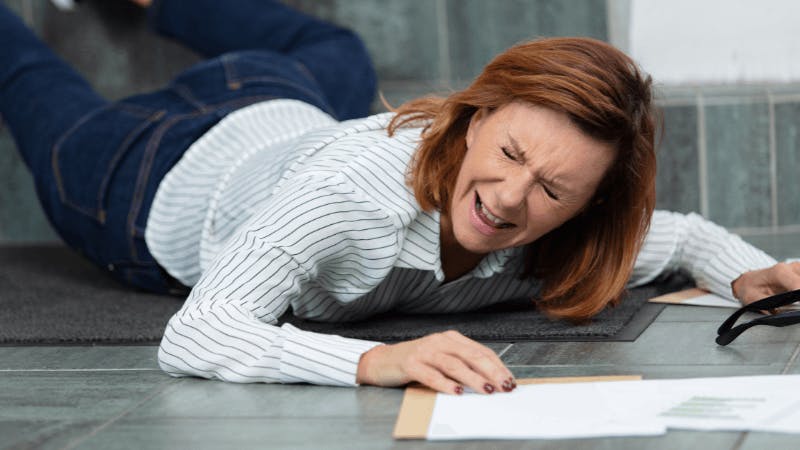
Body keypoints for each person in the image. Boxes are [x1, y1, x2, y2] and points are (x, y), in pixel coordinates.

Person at [3, 0, 799, 396]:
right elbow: (199, 332)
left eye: (553, 188)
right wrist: (380, 359)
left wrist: (749, 272)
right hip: (141, 175)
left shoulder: (562, 233)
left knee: (332, 48)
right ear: (476, 118)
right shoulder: (352, 195)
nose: (510, 199)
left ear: (587, 205)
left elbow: (682, 235)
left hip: (282, 102)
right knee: (29, 77)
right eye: (509, 153)